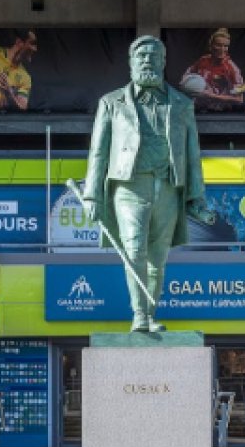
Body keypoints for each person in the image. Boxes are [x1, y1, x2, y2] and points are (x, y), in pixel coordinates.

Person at [81, 35, 207, 333]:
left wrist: (196, 196)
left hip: (168, 187)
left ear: (163, 62)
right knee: (134, 249)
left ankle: (150, 315)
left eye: (153, 55)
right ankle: (139, 315)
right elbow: (98, 152)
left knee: (158, 258)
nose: (147, 60)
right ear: (131, 63)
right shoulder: (111, 102)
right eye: (141, 56)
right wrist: (92, 195)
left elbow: (192, 154)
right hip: (129, 186)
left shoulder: (182, 104)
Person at [180, 27, 245, 109]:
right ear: (211, 46)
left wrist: (212, 96)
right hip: (199, 109)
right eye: (219, 45)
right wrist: (188, 86)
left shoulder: (232, 69)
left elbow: (239, 99)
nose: (222, 49)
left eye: (225, 46)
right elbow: (186, 77)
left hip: (219, 112)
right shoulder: (203, 60)